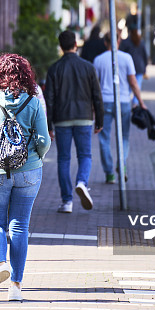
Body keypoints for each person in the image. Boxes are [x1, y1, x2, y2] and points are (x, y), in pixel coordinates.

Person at [0, 54, 50, 301]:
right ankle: (16, 286)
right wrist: (36, 158)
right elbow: (44, 140)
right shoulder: (34, 103)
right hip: (29, 171)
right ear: (25, 76)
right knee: (20, 225)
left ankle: (0, 264)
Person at [44, 30, 103, 214]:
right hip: (84, 117)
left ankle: (67, 201)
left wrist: (48, 126)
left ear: (61, 47)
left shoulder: (54, 69)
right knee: (85, 156)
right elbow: (97, 96)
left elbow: (49, 100)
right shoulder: (88, 67)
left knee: (63, 158)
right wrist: (99, 120)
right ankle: (82, 182)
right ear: (76, 45)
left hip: (62, 119)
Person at [93, 34, 147, 184]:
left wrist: (93, 107)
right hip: (123, 101)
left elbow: (95, 86)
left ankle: (109, 174)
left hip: (104, 102)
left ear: (105, 43)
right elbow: (133, 83)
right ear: (118, 41)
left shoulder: (98, 60)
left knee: (104, 138)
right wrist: (141, 102)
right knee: (124, 136)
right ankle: (121, 165)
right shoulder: (127, 58)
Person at [119, 29, 149, 107]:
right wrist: (145, 67)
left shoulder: (126, 42)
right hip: (139, 67)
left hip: (129, 67)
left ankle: (127, 100)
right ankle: (135, 103)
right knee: (137, 85)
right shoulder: (141, 42)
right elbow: (145, 56)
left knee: (129, 86)